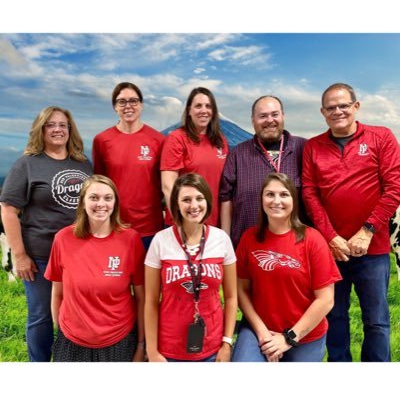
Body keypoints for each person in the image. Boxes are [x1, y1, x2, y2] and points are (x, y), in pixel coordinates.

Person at [302, 82, 400, 362]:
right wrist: (330, 237)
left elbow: (394, 187)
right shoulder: (313, 147)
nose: (338, 111)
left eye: (343, 105)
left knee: (377, 321)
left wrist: (367, 230)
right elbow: (310, 194)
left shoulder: (381, 137)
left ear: (356, 106)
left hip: (374, 248)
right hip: (331, 250)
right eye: (331, 107)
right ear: (322, 112)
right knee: (334, 315)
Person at [0, 106, 93, 361]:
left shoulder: (83, 163)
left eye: (63, 125)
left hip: (77, 256)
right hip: (40, 256)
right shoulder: (27, 164)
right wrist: (19, 255)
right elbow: (8, 210)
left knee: (76, 313)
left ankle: (70, 361)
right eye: (50, 125)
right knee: (41, 316)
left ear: (70, 130)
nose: (57, 129)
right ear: (40, 130)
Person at [232, 173, 341, 362]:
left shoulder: (313, 240)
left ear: (293, 200)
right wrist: (263, 333)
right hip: (260, 328)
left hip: (305, 333)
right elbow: (241, 290)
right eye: (269, 194)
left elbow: (326, 300)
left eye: (284, 194)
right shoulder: (249, 238)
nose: (276, 201)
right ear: (261, 199)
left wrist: (289, 338)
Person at [44, 175, 145, 362]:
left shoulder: (131, 240)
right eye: (94, 197)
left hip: (119, 340)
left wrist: (141, 345)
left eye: (108, 198)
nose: (101, 204)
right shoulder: (63, 238)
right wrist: (62, 331)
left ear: (115, 202)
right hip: (72, 341)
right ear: (82, 202)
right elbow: (57, 293)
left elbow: (141, 298)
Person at [145, 173, 237, 362]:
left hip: (212, 347)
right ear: (176, 204)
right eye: (186, 199)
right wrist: (152, 351)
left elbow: (231, 297)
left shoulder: (221, 239)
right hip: (168, 349)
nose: (194, 206)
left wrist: (226, 343)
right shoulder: (161, 241)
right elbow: (151, 301)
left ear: (207, 200)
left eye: (199, 198)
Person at [219, 95, 307, 248]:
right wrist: (226, 242)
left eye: (274, 114)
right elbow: (225, 198)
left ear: (283, 116)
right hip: (248, 247)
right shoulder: (238, 154)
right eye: (262, 116)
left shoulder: (304, 149)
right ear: (253, 120)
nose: (269, 120)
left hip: (295, 247)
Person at [92, 82, 165, 249]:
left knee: (149, 276)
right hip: (114, 226)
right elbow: (99, 185)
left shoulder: (158, 140)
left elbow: (165, 184)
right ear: (114, 107)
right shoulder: (102, 140)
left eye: (133, 101)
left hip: (150, 229)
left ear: (141, 105)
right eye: (122, 102)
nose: (128, 106)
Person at [161, 87, 229, 227]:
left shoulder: (221, 141)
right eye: (198, 106)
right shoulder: (177, 138)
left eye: (208, 106)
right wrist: (181, 222)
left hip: (212, 222)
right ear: (189, 111)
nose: (204, 110)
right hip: (184, 221)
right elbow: (168, 186)